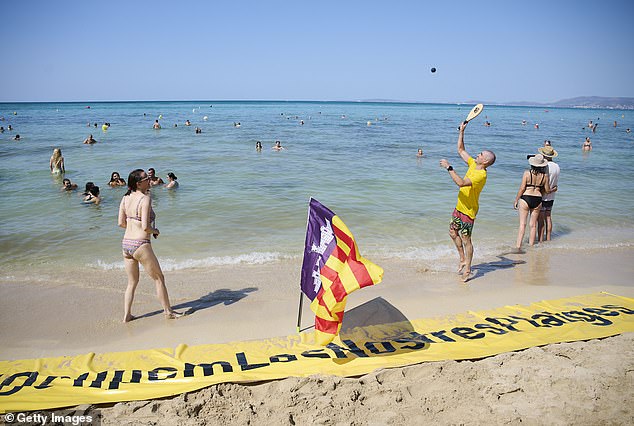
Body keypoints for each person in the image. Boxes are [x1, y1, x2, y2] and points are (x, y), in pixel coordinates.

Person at [117, 169, 183, 322]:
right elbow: (146, 227)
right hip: (140, 243)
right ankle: (168, 312)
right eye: (146, 179)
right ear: (138, 183)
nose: (149, 180)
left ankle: (127, 315)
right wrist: (156, 231)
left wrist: (133, 225)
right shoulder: (145, 199)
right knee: (159, 278)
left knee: (132, 282)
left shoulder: (125, 198)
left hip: (126, 243)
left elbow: (121, 223)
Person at [439, 121, 496, 282]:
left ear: (485, 162)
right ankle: (462, 258)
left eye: (481, 155)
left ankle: (469, 269)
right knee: (452, 232)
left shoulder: (481, 175)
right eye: (479, 154)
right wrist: (462, 131)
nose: (477, 155)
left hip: (469, 211)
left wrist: (449, 168)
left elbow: (461, 183)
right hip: (459, 206)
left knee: (466, 239)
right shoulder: (473, 164)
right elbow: (461, 150)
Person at [513, 154, 551, 250]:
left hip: (526, 197)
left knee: (522, 224)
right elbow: (547, 190)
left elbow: (522, 188)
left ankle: (518, 246)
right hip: (538, 199)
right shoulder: (545, 176)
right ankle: (531, 246)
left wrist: (516, 200)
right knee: (533, 225)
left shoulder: (527, 173)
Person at [537, 146, 560, 242]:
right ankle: (549, 238)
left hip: (543, 195)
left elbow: (542, 182)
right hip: (552, 196)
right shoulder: (557, 166)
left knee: (541, 220)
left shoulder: (545, 166)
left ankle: (541, 240)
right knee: (548, 217)